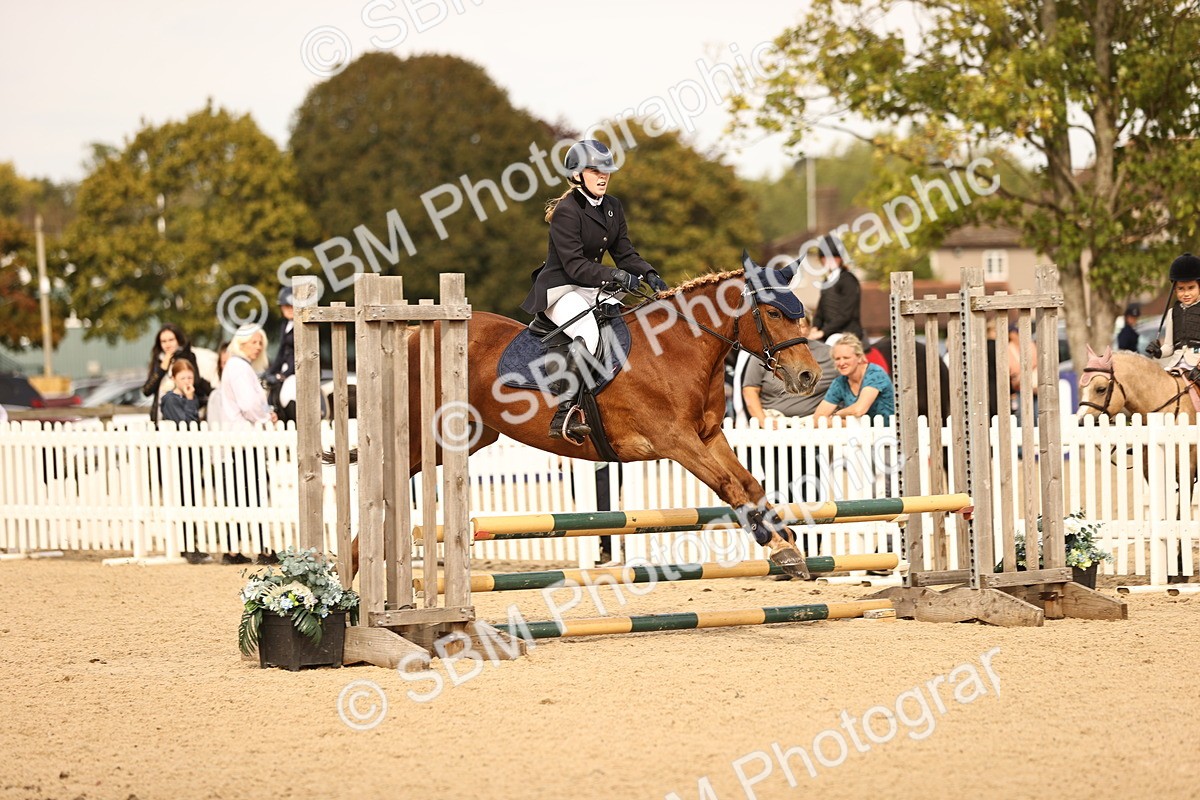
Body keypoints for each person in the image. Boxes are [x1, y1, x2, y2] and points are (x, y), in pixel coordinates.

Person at [520, 139, 668, 440]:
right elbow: (574, 266)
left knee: (629, 322)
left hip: (592, 287)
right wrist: (615, 274)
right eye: (594, 170)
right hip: (561, 290)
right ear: (576, 175)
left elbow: (625, 252)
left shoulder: (612, 206)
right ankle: (564, 414)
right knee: (587, 333)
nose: (603, 176)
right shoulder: (566, 211)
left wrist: (649, 273)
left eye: (607, 171)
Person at [212, 326, 276, 565]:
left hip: (239, 439)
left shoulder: (236, 366)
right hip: (245, 439)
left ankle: (236, 548)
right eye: (254, 342)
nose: (258, 347)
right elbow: (249, 404)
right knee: (255, 492)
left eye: (260, 343)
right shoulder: (239, 368)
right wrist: (264, 417)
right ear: (241, 343)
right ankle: (262, 549)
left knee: (241, 494)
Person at [742, 316, 834, 424]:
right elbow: (750, 390)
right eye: (791, 326)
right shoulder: (765, 354)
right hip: (772, 420)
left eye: (801, 326)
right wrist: (763, 421)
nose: (796, 330)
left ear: (810, 328)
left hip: (814, 423)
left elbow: (847, 383)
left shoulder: (829, 353)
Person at [812, 334, 895, 420]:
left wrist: (837, 415)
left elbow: (859, 410)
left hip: (888, 430)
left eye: (846, 358)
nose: (841, 363)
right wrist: (843, 422)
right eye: (837, 359)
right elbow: (818, 418)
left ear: (859, 357)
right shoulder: (839, 382)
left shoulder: (875, 373)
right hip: (858, 431)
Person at [141, 323, 211, 424]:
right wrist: (162, 368)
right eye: (163, 341)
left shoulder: (188, 356)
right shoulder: (159, 359)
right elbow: (147, 390)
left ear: (178, 340)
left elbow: (195, 381)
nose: (167, 344)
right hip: (161, 414)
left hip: (182, 409)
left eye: (171, 340)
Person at [1146, 253, 1200, 378]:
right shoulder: (1172, 312)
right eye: (1181, 289)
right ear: (1175, 290)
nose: (1186, 293)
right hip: (1176, 364)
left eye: (1191, 288)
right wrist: (1158, 352)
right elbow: (1170, 347)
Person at [809, 234, 864, 341]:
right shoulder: (826, 281)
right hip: (830, 333)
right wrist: (815, 328)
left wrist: (823, 332)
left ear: (840, 259)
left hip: (848, 334)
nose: (830, 261)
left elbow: (846, 314)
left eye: (834, 257)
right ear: (822, 259)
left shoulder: (848, 280)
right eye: (826, 257)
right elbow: (820, 311)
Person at [265, 287, 297, 422]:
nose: (288, 309)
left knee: (286, 394)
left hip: (297, 370)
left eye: (291, 306)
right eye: (285, 306)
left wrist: (285, 375)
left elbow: (299, 355)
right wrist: (270, 371)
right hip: (285, 367)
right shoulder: (284, 324)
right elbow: (281, 351)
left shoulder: (302, 326)